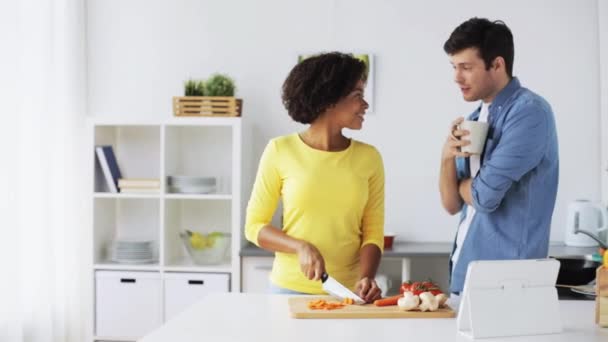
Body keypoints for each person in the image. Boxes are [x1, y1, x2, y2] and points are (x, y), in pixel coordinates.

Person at [244, 52, 385, 303]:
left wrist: (366, 278)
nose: (365, 105)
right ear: (329, 100)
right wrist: (300, 246)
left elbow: (373, 233)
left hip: (349, 294)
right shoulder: (280, 150)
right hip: (288, 291)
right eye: (358, 96)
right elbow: (254, 226)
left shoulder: (369, 158)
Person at [439, 18, 559, 295]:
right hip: (464, 273)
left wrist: (463, 186)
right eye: (454, 67)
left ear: (497, 65)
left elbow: (484, 198)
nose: (457, 77)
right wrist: (446, 157)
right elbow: (451, 205)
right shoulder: (474, 118)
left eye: (466, 67)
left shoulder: (530, 113)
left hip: (508, 282)